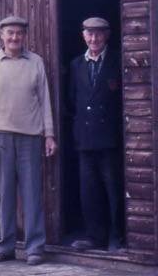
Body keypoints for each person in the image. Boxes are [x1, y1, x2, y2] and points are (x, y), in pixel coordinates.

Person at [0, 15, 58, 266]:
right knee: (6, 193)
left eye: (19, 33)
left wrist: (49, 134)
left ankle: (34, 248)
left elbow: (45, 100)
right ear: (2, 35)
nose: (14, 37)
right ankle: (5, 247)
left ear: (24, 36)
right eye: (10, 33)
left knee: (32, 193)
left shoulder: (35, 62)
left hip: (31, 136)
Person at [68, 17, 123, 252]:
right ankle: (95, 237)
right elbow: (72, 100)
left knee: (114, 189)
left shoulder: (117, 60)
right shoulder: (76, 64)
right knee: (89, 190)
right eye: (90, 34)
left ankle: (119, 238)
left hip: (111, 137)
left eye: (99, 34)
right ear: (83, 35)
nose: (94, 38)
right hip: (85, 138)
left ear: (107, 35)